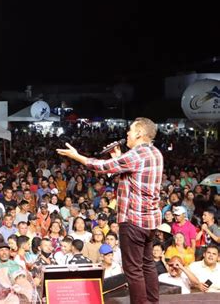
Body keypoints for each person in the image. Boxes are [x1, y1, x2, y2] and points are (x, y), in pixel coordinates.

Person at [57, 117, 163, 304]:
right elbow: (132, 176)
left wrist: (77, 156)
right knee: (147, 264)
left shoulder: (137, 154)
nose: (127, 134)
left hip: (133, 220)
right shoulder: (155, 153)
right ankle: (153, 301)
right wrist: (117, 158)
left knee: (133, 269)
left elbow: (101, 167)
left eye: (130, 131)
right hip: (149, 221)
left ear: (139, 133)